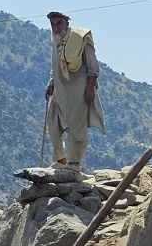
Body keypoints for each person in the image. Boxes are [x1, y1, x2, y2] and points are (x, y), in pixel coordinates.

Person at [45, 10, 106, 174]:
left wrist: (90, 88)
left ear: (66, 23)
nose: (56, 27)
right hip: (60, 91)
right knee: (52, 122)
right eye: (53, 24)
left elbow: (93, 66)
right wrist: (51, 84)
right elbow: (55, 67)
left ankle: (74, 162)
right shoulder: (56, 41)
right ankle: (60, 159)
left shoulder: (80, 38)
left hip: (78, 91)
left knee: (76, 127)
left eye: (59, 23)